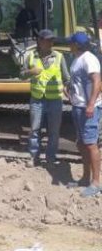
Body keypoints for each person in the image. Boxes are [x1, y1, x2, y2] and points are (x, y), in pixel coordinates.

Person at [21, 29, 70, 166]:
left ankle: (50, 157)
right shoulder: (31, 56)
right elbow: (21, 74)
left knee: (54, 131)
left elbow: (66, 79)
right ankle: (33, 157)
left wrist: (69, 91)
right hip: (37, 100)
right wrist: (31, 71)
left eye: (51, 40)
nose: (50, 42)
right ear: (40, 41)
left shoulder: (59, 57)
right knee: (34, 129)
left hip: (55, 100)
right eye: (48, 40)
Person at [66, 32, 102, 197]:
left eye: (71, 43)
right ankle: (85, 177)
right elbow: (79, 83)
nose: (69, 45)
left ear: (77, 45)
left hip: (88, 108)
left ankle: (96, 183)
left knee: (90, 144)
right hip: (78, 106)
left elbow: (97, 81)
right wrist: (70, 93)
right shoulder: (77, 59)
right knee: (81, 143)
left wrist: (90, 104)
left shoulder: (89, 58)